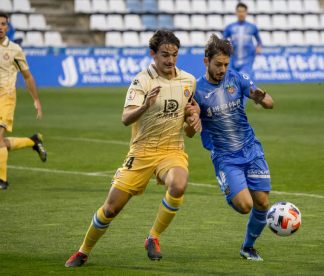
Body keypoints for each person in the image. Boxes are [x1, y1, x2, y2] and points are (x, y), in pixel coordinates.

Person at [65, 30, 201, 267]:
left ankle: (153, 237)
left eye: (175, 55)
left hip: (172, 149)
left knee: (178, 184)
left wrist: (193, 121)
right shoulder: (142, 81)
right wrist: (146, 105)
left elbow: (188, 129)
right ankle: (83, 251)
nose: (170, 60)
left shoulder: (189, 81)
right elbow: (126, 118)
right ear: (153, 54)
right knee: (111, 208)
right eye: (165, 55)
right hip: (142, 151)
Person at [188, 34, 274, 261]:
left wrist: (259, 98)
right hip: (225, 156)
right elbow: (188, 132)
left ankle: (248, 247)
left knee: (263, 203)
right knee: (245, 205)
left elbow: (270, 103)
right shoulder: (196, 90)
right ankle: (229, 186)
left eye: (226, 64)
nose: (223, 69)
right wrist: (192, 119)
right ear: (206, 61)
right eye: (218, 64)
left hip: (251, 149)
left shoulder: (236, 78)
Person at [0, 12, 47, 190]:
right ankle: (33, 141)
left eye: (3, 24)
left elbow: (27, 77)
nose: (0, 27)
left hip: (6, 97)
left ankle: (2, 180)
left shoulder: (15, 50)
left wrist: (36, 100)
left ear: (7, 27)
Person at [223, 2, 262, 80]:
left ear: (246, 13)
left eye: (243, 11)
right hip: (234, 58)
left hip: (248, 59)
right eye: (239, 11)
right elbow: (223, 40)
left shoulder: (252, 27)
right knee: (233, 81)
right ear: (236, 13)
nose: (241, 14)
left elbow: (259, 40)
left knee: (244, 79)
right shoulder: (230, 27)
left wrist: (259, 47)